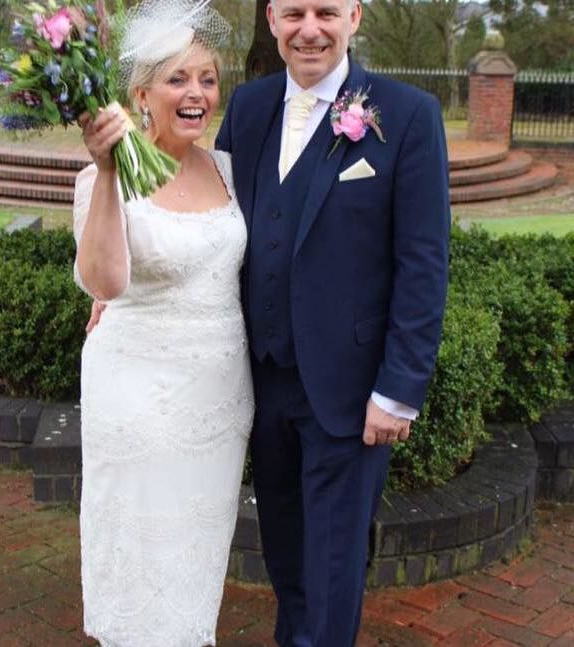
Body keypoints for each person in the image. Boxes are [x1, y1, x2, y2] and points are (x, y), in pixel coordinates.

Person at [215, 0, 450, 644]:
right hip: (261, 381)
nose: (310, 29)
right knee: (284, 552)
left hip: (350, 390)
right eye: (294, 13)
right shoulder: (248, 107)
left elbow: (423, 263)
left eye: (326, 11)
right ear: (272, 20)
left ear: (355, 17)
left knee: (333, 564)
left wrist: (398, 390)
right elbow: (209, 224)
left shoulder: (408, 115)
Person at [72, 3, 253, 645]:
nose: (196, 93)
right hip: (138, 396)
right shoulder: (103, 175)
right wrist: (105, 172)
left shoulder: (228, 168)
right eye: (178, 79)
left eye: (207, 78)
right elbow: (104, 283)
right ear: (141, 95)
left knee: (194, 560)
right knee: (142, 556)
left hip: (220, 401)